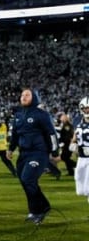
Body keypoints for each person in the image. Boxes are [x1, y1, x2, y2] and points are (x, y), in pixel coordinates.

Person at [7, 88, 59, 224]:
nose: (23, 97)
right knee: (25, 182)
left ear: (34, 97)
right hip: (23, 154)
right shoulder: (18, 115)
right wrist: (11, 148)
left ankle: (38, 211)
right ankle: (40, 208)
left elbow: (51, 133)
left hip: (38, 152)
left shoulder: (41, 114)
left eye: (27, 95)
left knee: (28, 179)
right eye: (22, 95)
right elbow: (15, 135)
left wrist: (54, 151)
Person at [71, 97, 89, 207]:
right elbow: (76, 134)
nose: (87, 111)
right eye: (86, 108)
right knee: (79, 181)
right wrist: (73, 144)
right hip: (81, 157)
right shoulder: (77, 120)